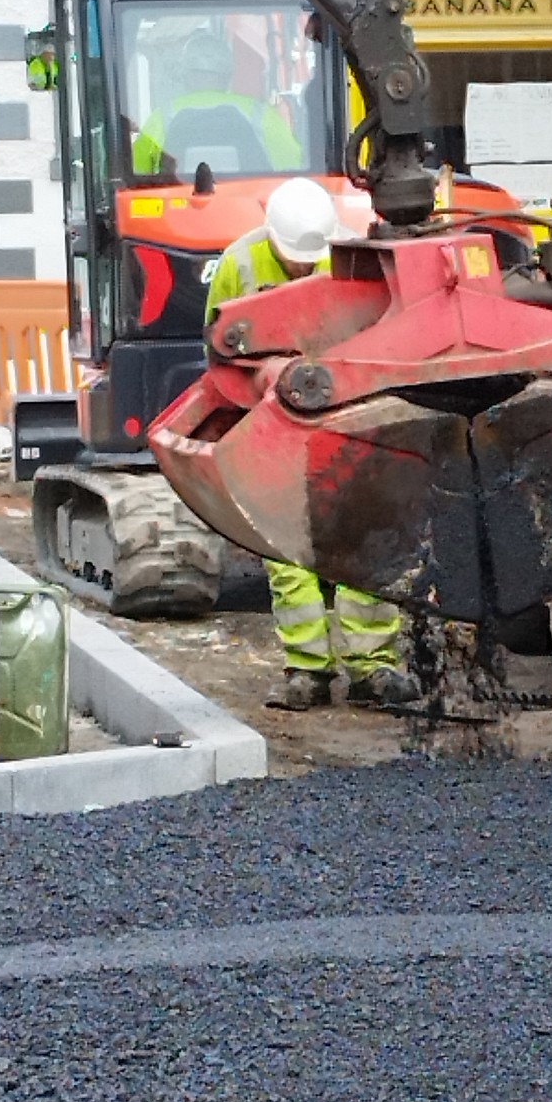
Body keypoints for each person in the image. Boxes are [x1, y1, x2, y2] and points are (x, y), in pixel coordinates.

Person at [204, 176, 417, 714]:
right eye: (292, 258)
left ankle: (373, 667)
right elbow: (218, 349)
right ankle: (308, 670)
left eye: (309, 259)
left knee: (364, 537)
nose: (302, 267)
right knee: (286, 550)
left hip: (346, 418)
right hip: (273, 424)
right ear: (271, 236)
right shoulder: (240, 262)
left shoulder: (347, 259)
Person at [135, 24, 304, 178]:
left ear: (186, 75)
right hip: (247, 206)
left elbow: (137, 170)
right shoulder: (259, 113)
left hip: (180, 207)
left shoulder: (162, 116)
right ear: (227, 76)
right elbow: (293, 163)